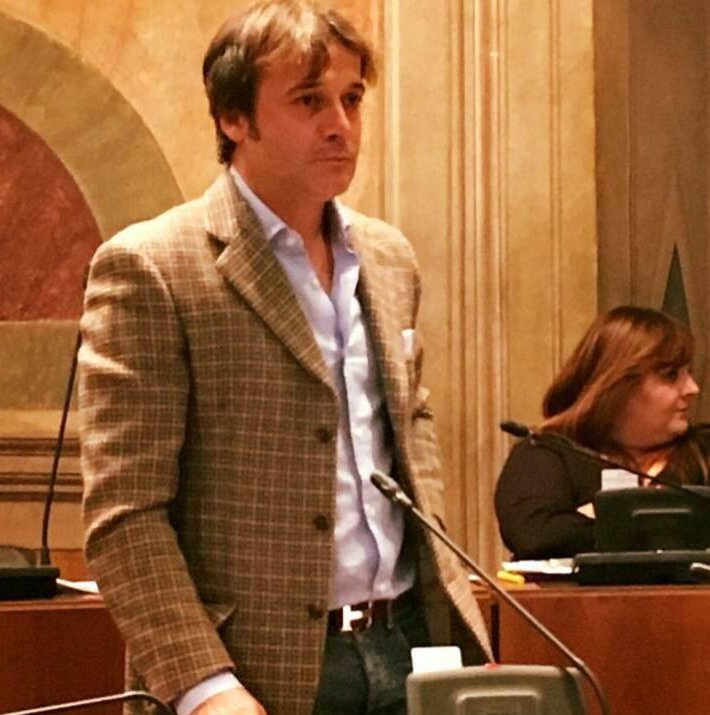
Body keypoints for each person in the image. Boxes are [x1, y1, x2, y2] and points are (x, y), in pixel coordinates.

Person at [78, 2, 490, 715]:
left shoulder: (389, 257)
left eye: (351, 99)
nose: (341, 125)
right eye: (308, 101)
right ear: (234, 118)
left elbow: (409, 443)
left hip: (410, 645)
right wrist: (206, 689)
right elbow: (126, 517)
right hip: (252, 670)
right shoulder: (152, 267)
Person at [495, 305, 710, 560]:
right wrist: (667, 528)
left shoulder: (703, 451)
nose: (692, 388)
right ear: (618, 384)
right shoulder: (547, 453)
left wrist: (601, 519)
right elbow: (536, 535)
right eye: (671, 375)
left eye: (689, 373)